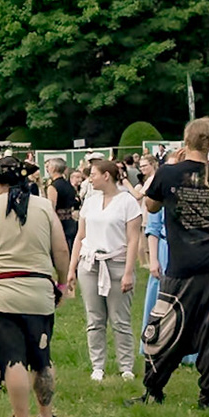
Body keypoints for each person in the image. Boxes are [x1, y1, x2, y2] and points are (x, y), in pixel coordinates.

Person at [134, 119, 209, 409]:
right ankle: (208, 394)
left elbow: (151, 206)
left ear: (186, 141)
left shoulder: (167, 173)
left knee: (165, 326)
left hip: (181, 265)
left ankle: (153, 389)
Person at [0, 155, 69, 417]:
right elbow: (61, 250)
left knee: (12, 359)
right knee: (42, 357)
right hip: (39, 291)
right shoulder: (44, 207)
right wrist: (62, 284)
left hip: (2, 294)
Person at [71, 160, 142, 383]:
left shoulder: (127, 202)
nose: (90, 179)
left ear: (106, 176)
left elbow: (133, 239)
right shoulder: (90, 202)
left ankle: (126, 366)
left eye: (93, 174)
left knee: (120, 319)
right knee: (94, 319)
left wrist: (128, 272)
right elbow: (80, 236)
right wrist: (72, 268)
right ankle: (97, 366)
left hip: (117, 263)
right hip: (90, 264)